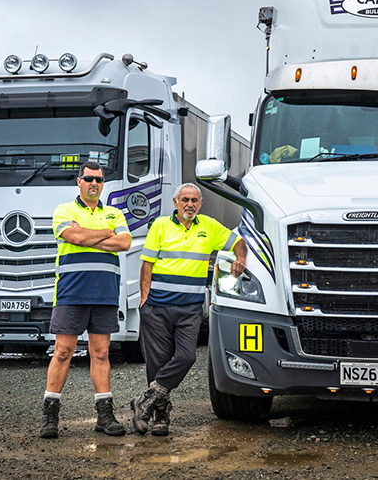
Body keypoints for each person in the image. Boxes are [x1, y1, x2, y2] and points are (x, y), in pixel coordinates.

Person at [133, 183, 247, 436]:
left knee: (187, 357)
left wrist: (241, 258)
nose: (190, 204)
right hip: (157, 308)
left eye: (195, 200)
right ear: (176, 203)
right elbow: (146, 266)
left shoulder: (209, 226)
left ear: (200, 203)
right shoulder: (161, 226)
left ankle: (144, 401)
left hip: (190, 309)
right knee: (157, 362)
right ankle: (161, 416)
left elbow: (239, 242)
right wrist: (144, 302)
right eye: (185, 199)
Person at [38, 161, 132, 439]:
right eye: (89, 179)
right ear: (79, 181)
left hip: (104, 294)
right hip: (71, 293)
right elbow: (73, 235)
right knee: (63, 352)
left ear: (104, 184)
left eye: (99, 180)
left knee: (101, 353)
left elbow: (124, 243)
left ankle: (104, 415)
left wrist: (88, 237)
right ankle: (50, 415)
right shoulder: (64, 210)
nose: (94, 184)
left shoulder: (115, 212)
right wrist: (105, 233)